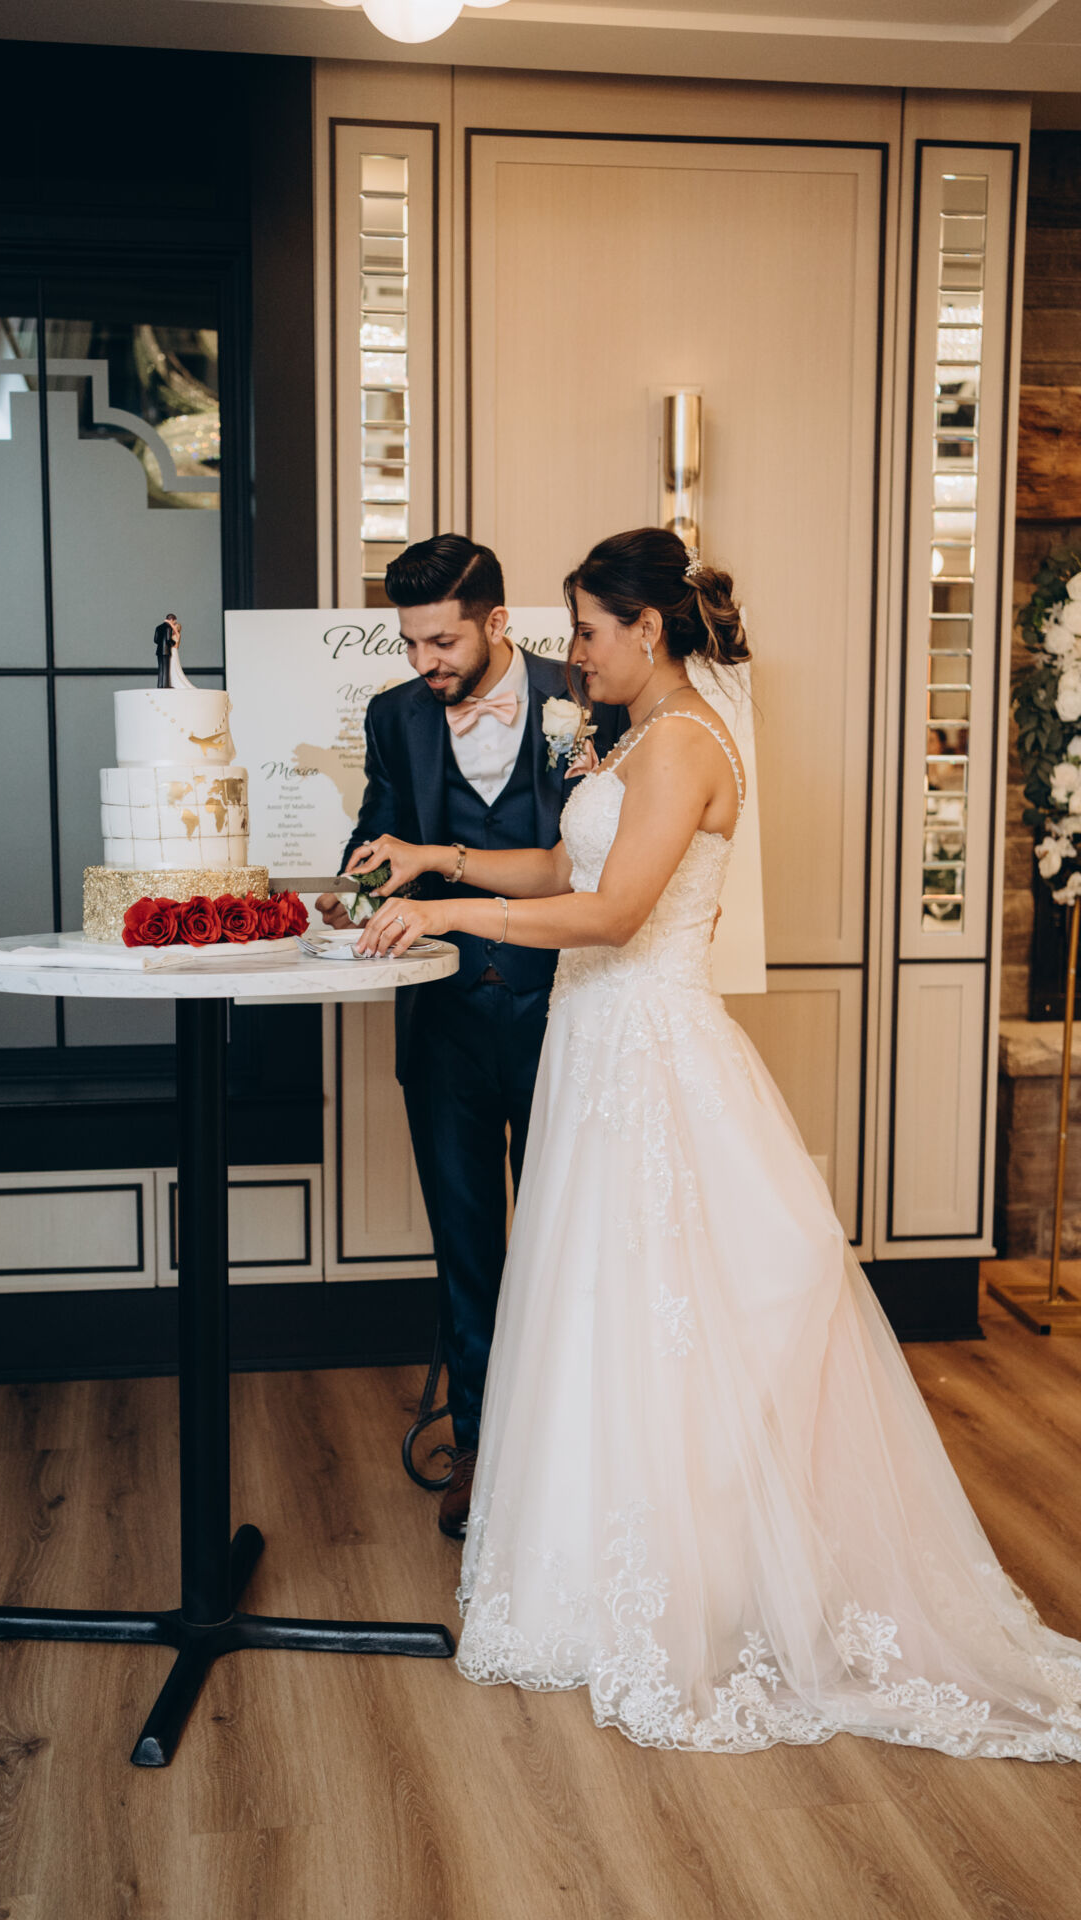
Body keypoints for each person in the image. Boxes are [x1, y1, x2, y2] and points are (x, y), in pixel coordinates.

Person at [347, 526, 1081, 1759]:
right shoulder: (638, 735)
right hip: (598, 1045)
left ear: (647, 629)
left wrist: (445, 910)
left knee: (675, 1311)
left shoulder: (685, 742)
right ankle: (615, 1563)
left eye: (589, 631)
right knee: (603, 1310)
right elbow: (563, 858)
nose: (574, 653)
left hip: (649, 1049)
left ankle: (708, 1578)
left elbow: (611, 912)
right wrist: (439, 854)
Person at [317, 534, 626, 1538]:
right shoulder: (394, 716)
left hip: (565, 1007)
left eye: (441, 642)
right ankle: (483, 1452)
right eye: (409, 644)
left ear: (496, 621)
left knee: (567, 1241)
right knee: (466, 1250)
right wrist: (357, 881)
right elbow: (379, 826)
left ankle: (571, 1457)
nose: (424, 663)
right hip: (444, 1020)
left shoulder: (587, 695)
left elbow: (603, 857)